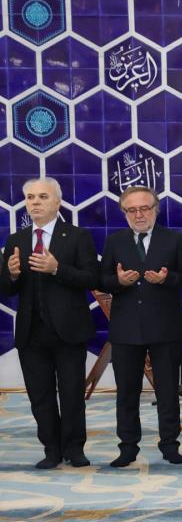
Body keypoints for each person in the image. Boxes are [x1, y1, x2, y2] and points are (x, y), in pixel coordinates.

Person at [0, 178, 100, 469]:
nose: (35, 202)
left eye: (43, 197)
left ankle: (74, 448)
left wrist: (58, 269)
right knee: (40, 396)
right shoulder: (16, 240)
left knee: (71, 395)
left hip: (69, 331)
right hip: (31, 333)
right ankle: (51, 449)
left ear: (57, 202)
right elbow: (6, 288)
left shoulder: (78, 236)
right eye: (30, 197)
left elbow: (92, 278)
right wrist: (11, 275)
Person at [99, 185, 182, 467]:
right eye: (132, 210)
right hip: (126, 330)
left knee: (167, 392)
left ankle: (170, 445)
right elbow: (101, 280)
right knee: (127, 393)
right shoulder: (114, 241)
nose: (139, 214)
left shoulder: (174, 240)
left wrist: (167, 279)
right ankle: (128, 447)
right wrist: (117, 282)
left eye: (144, 208)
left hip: (165, 328)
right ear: (124, 213)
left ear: (156, 210)